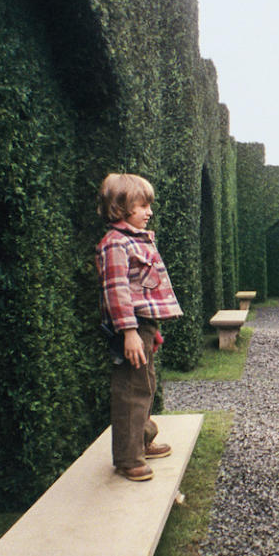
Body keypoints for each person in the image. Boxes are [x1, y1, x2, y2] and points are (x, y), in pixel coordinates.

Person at [96, 173, 183, 481]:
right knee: (130, 389)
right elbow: (117, 292)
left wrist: (150, 330)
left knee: (144, 385)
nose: (149, 212)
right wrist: (130, 332)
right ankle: (128, 458)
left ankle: (142, 442)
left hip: (142, 327)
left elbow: (142, 293)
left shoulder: (135, 240)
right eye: (142, 205)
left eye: (149, 205)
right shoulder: (116, 244)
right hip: (128, 329)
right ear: (120, 208)